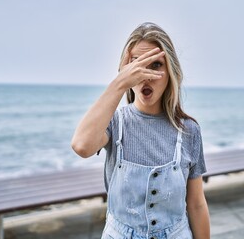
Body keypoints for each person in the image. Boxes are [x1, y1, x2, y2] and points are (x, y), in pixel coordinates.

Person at [71, 22, 210, 239]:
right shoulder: (114, 124)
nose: (145, 75)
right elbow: (81, 145)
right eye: (136, 65)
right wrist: (119, 83)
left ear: (171, 71)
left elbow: (196, 204)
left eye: (155, 65)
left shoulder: (189, 131)